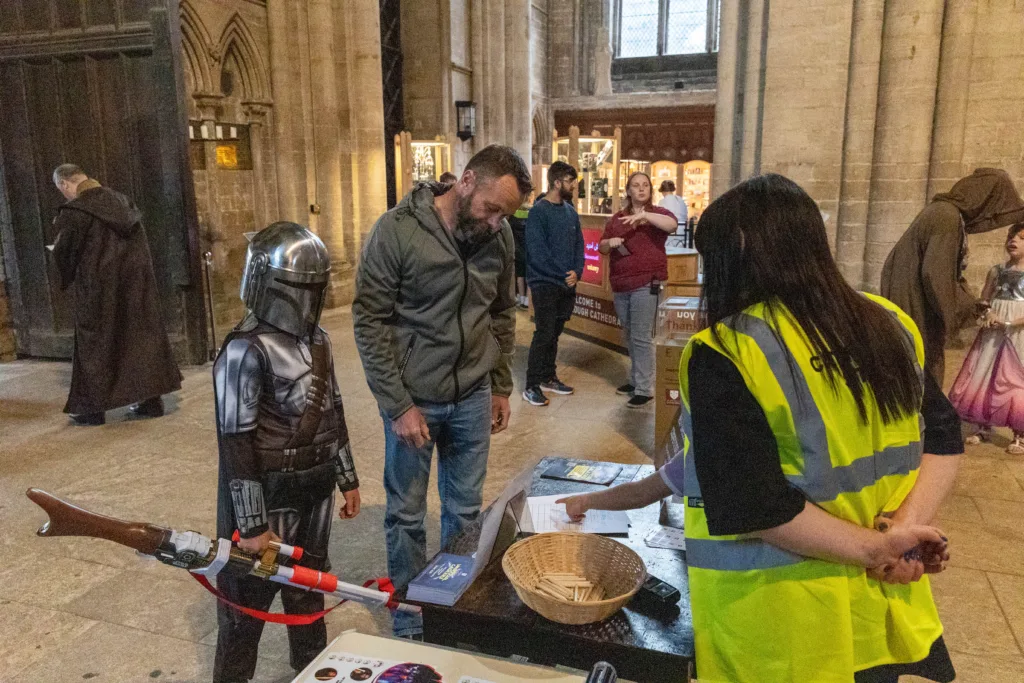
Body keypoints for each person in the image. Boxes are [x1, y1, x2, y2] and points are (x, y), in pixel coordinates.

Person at [559, 174, 961, 683]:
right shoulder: (887, 320)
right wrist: (900, 534)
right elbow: (945, 439)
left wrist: (878, 547)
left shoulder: (728, 349)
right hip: (882, 608)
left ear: (740, 253)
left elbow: (754, 503)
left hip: (784, 627)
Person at [352, 144, 530, 638]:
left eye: (506, 215)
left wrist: (499, 383)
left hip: (473, 393)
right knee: (407, 514)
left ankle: (452, 610)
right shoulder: (399, 230)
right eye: (492, 209)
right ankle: (410, 614)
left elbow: (499, 311)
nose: (497, 223)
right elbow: (369, 320)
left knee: (465, 512)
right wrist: (398, 404)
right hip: (417, 398)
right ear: (466, 182)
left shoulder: (500, 237)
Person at [212, 222, 361, 683]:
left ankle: (310, 676)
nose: (305, 300)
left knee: (307, 600)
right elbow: (235, 443)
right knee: (244, 612)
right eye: (297, 288)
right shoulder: (243, 351)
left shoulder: (319, 340)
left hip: (314, 492)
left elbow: (332, 411)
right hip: (267, 494)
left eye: (312, 289)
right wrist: (252, 525)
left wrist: (347, 478)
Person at [50, 164, 181, 426]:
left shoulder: (76, 212)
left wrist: (58, 255)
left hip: (99, 292)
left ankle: (91, 410)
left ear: (65, 185)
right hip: (135, 286)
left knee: (96, 347)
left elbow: (66, 252)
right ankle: (150, 401)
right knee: (139, 342)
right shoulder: (123, 201)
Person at [881, 168, 1024, 384]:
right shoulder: (946, 216)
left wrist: (975, 306)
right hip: (916, 301)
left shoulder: (946, 213)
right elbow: (937, 275)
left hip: (917, 297)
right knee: (920, 367)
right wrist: (963, 315)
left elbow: (946, 274)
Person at [598, 172, 678, 407]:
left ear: (650, 190)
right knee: (629, 333)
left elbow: (672, 225)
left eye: (645, 185)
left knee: (642, 336)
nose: (641, 189)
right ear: (629, 190)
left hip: (647, 282)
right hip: (621, 283)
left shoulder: (658, 214)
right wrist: (609, 243)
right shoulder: (617, 219)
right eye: (636, 185)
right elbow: (602, 246)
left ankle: (645, 387)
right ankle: (635, 380)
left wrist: (646, 216)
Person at [949, 223, 1024, 454]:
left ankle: (1020, 433)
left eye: (1021, 238)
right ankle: (983, 425)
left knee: (1015, 378)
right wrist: (988, 312)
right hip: (993, 330)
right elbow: (984, 298)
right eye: (1012, 236)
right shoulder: (997, 270)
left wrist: (1010, 323)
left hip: (1018, 332)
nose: (1014, 240)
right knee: (986, 372)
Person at [522, 161, 584, 406]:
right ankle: (531, 384)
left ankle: (548, 376)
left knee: (556, 333)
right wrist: (562, 274)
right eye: (570, 181)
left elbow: (579, 246)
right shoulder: (539, 211)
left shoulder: (570, 212)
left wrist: (577, 272)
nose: (574, 186)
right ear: (557, 182)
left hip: (567, 283)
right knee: (544, 333)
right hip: (545, 282)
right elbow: (537, 253)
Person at [509, 200, 531, 309]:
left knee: (519, 275)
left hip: (517, 249)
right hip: (528, 249)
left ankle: (520, 298)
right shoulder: (531, 215)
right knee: (529, 274)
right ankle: (527, 300)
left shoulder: (513, 215)